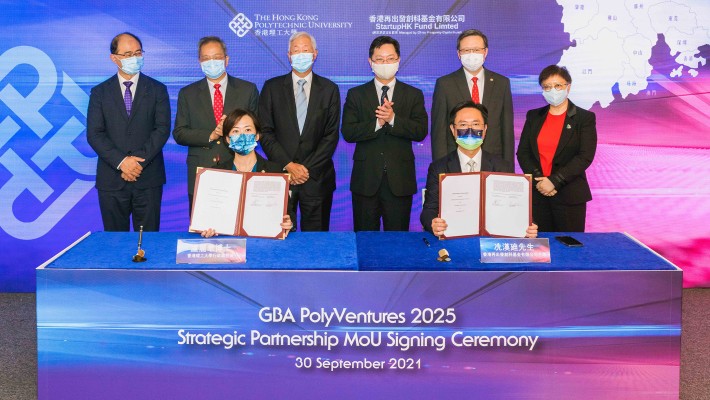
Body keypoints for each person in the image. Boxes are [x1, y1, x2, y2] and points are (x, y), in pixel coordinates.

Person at [342, 36, 428, 231]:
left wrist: (393, 120)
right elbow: (348, 132)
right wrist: (378, 123)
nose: (385, 63)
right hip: (366, 181)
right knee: (365, 241)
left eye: (390, 59)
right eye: (379, 59)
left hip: (400, 181)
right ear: (370, 62)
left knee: (398, 243)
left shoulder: (413, 94)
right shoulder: (356, 94)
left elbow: (421, 131)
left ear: (398, 60)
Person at [87, 32, 170, 232]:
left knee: (148, 243)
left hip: (148, 177)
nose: (134, 58)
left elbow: (162, 129)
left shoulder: (157, 89)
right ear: (114, 58)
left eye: (138, 53)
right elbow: (94, 134)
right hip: (112, 180)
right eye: (127, 54)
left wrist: (136, 162)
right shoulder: (100, 93)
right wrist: (123, 162)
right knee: (115, 245)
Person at [258, 32, 340, 231]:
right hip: (281, 178)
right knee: (281, 237)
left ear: (315, 54)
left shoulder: (329, 89)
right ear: (288, 55)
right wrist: (289, 165)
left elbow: (331, 136)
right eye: (296, 51)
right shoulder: (272, 88)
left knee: (317, 242)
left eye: (306, 50)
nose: (301, 54)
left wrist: (304, 170)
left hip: (317, 179)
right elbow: (265, 132)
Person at [421, 101, 537, 238]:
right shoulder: (439, 167)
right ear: (453, 129)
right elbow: (429, 210)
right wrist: (433, 223)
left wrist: (527, 225)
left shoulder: (502, 166)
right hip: (454, 237)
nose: (470, 130)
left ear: (485, 129)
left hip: (491, 239)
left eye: (476, 124)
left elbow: (515, 208)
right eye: (463, 125)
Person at [173, 36, 259, 215]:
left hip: (239, 168)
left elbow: (258, 130)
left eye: (216, 57)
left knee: (239, 224)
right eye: (205, 58)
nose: (211, 62)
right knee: (204, 230)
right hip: (201, 171)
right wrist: (210, 135)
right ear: (199, 62)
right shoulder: (187, 93)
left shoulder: (247, 89)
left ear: (226, 60)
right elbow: (179, 133)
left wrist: (236, 134)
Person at [517, 65, 597, 232]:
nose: (552, 90)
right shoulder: (534, 116)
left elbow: (585, 156)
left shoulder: (584, 118)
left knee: (569, 247)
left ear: (568, 87)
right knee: (541, 248)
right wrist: (541, 181)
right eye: (547, 86)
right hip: (539, 194)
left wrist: (554, 181)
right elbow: (523, 152)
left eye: (558, 85)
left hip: (569, 195)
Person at [199, 109, 293, 238]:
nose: (242, 136)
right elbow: (209, 216)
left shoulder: (275, 172)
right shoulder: (217, 173)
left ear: (257, 135)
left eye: (248, 130)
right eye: (236, 131)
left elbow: (288, 213)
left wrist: (288, 223)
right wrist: (206, 227)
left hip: (264, 243)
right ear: (227, 139)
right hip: (228, 243)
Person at [430, 29, 514, 164]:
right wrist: (441, 169)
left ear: (485, 52)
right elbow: (439, 132)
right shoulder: (445, 84)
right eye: (466, 50)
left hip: (493, 161)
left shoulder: (501, 83)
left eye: (476, 50)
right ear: (459, 54)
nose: (471, 55)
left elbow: (507, 131)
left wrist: (508, 168)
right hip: (456, 161)